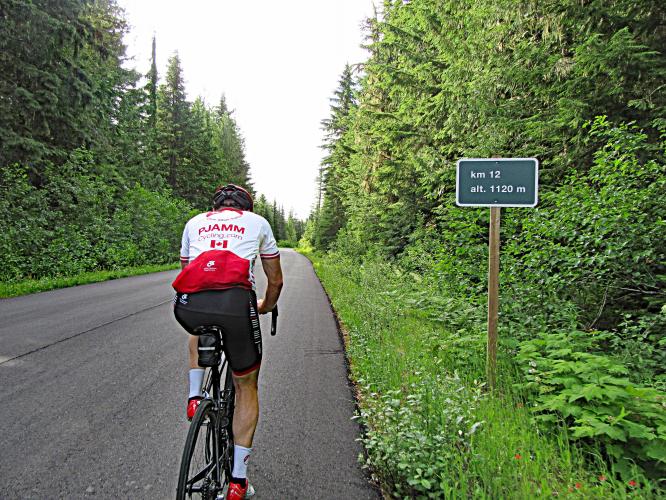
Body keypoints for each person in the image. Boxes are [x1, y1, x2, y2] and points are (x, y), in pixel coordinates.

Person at [172, 184, 283, 500]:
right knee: (246, 383)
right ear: (245, 208)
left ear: (216, 207)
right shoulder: (257, 222)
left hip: (188, 304)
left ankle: (195, 397)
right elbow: (275, 280)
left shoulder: (194, 222)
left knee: (198, 323)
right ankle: (237, 482)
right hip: (236, 305)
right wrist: (266, 305)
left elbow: (189, 272)